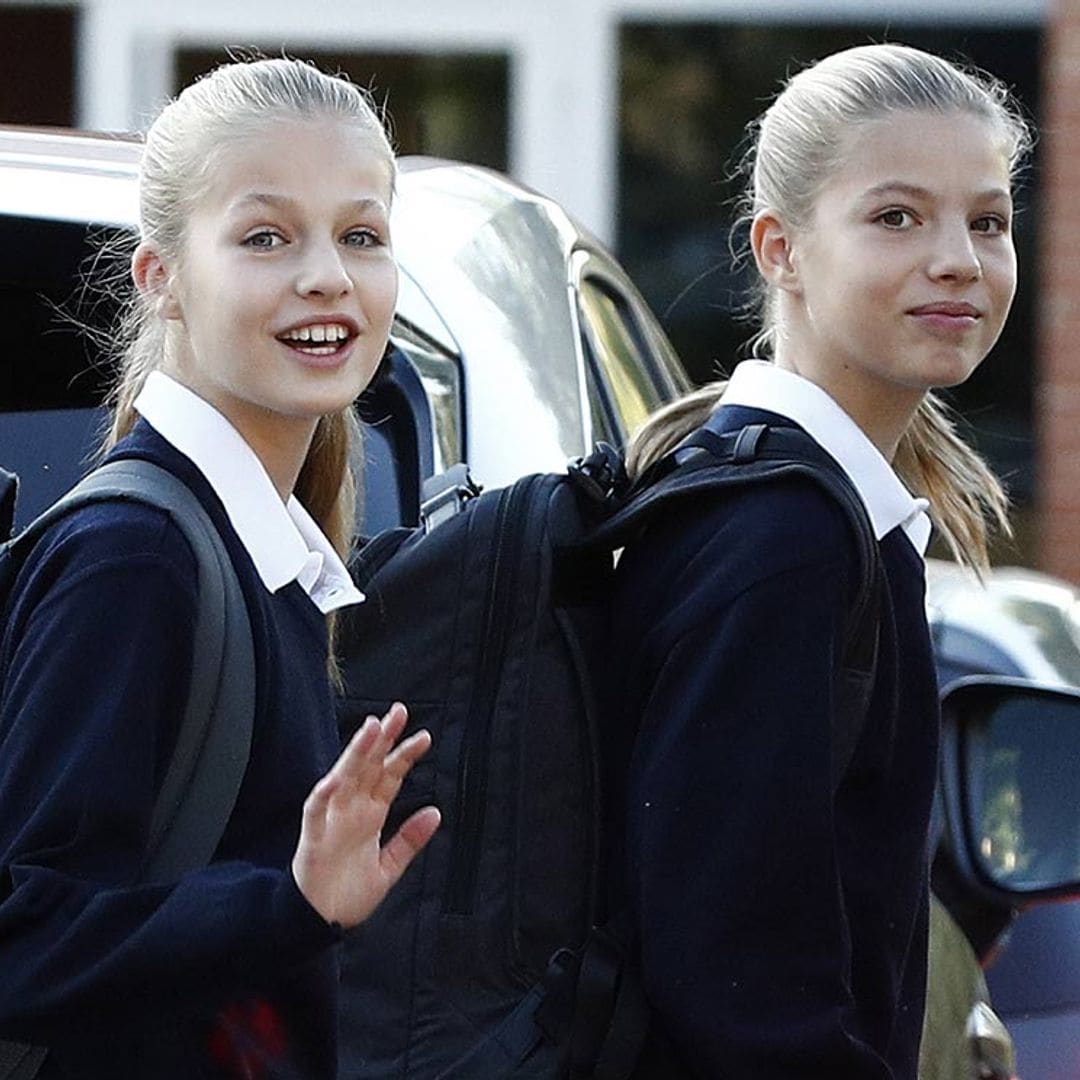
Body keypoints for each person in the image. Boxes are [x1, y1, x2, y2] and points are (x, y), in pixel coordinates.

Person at [0, 58, 440, 1078]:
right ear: (162, 279)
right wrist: (287, 903)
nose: (327, 274)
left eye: (361, 235)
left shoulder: (263, 551)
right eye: (265, 237)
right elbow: (25, 939)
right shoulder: (135, 558)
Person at [602, 42, 1031, 1078]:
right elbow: (736, 983)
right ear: (779, 249)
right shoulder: (779, 536)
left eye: (987, 221)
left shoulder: (821, 512)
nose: (959, 260)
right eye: (897, 217)